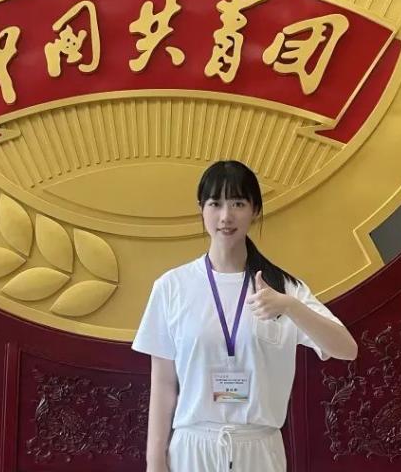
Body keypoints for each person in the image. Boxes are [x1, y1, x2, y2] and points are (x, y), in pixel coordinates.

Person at [131, 160, 358, 472]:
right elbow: (163, 383)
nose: (226, 216)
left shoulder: (283, 288)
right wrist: (155, 462)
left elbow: (347, 349)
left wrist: (290, 307)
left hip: (259, 448)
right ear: (201, 209)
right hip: (193, 448)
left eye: (238, 203)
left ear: (255, 210)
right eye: (215, 203)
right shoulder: (172, 287)